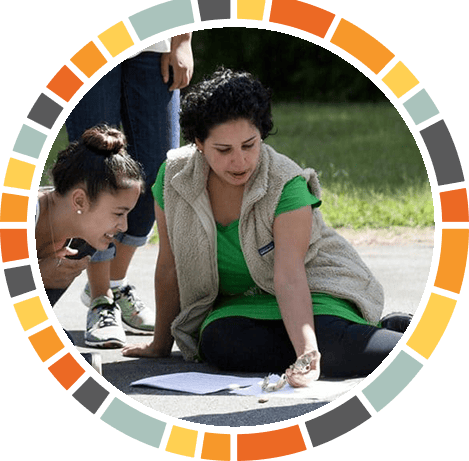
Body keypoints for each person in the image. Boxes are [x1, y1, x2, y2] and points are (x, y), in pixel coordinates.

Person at [122, 69, 412, 387]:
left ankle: (405, 340)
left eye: (249, 145)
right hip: (243, 306)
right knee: (219, 343)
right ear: (199, 144)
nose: (240, 161)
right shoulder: (174, 178)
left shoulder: (286, 183)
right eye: (224, 150)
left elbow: (289, 277)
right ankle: (347, 340)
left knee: (334, 345)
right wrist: (160, 344)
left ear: (261, 134)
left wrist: (307, 354)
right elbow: (169, 265)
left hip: (314, 289)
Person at [65, 33, 194, 348]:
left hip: (154, 42)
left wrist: (182, 40)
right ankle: (101, 299)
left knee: (158, 173)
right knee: (95, 169)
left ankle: (115, 281)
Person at [36, 125, 145, 371]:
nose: (124, 226)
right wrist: (37, 276)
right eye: (119, 213)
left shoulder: (82, 237)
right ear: (79, 200)